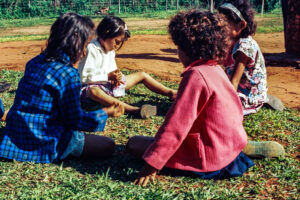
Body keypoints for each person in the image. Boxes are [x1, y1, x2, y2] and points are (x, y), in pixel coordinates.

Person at [126, 10, 284, 187]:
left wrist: (152, 164)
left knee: (134, 144)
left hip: (209, 159)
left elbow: (175, 126)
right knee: (150, 142)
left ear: (187, 49)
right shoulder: (216, 69)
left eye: (178, 47)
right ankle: (240, 147)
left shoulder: (195, 76)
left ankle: (225, 150)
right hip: (230, 146)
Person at [0, 13, 124, 163]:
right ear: (75, 43)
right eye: (85, 46)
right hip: (46, 139)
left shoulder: (34, 62)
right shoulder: (68, 74)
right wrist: (105, 113)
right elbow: (74, 120)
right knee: (107, 146)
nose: (85, 52)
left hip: (16, 134)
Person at [78, 15, 177, 118]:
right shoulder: (91, 49)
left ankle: (171, 93)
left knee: (142, 75)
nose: (116, 46)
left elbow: (113, 70)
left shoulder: (110, 49)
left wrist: (117, 77)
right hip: (91, 90)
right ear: (106, 32)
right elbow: (83, 78)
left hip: (108, 86)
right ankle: (134, 110)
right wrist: (107, 77)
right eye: (116, 42)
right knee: (93, 91)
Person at [218, 0, 269, 115]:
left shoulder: (245, 46)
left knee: (214, 104)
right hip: (235, 89)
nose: (219, 25)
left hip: (248, 96)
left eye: (225, 22)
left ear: (241, 25)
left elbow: (234, 82)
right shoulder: (231, 43)